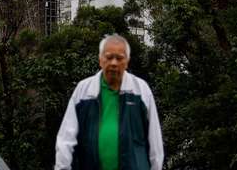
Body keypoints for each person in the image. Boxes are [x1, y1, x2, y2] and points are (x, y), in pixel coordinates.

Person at [54, 34, 163, 170]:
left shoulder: (141, 90)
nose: (114, 63)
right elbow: (66, 139)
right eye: (109, 57)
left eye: (119, 58)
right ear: (100, 60)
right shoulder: (83, 90)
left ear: (127, 61)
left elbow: (155, 140)